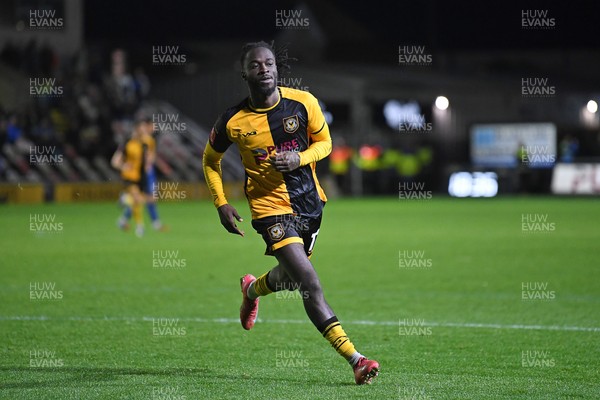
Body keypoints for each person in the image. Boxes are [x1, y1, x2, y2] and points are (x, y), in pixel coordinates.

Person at [202, 41, 379, 385]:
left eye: (269, 63)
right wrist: (220, 202)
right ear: (245, 72)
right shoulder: (232, 121)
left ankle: (251, 290)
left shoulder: (304, 103)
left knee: (289, 276)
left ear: (276, 68)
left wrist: (300, 158)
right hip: (270, 211)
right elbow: (211, 161)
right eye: (256, 65)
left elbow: (325, 143)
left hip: (310, 205)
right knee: (309, 283)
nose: (264, 69)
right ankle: (356, 360)